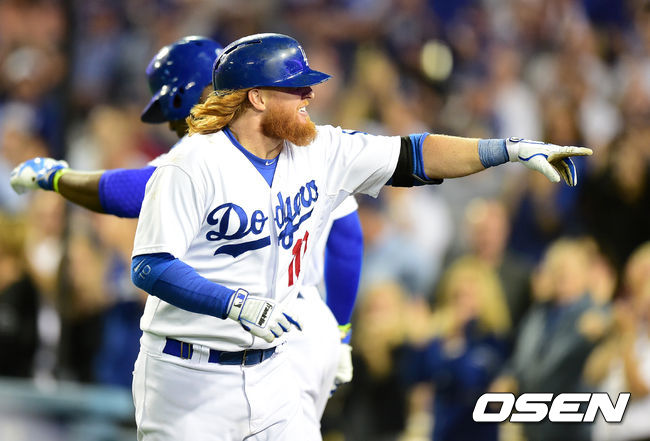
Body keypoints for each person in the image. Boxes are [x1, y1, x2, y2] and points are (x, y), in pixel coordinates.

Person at [123, 32, 591, 440]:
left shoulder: (320, 150)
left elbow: (416, 153)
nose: (309, 94)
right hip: (186, 378)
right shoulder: (191, 164)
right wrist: (235, 304)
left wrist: (507, 150)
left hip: (271, 371)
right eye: (295, 87)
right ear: (257, 98)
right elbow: (149, 265)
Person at [9, 35, 363, 436]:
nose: (171, 124)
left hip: (259, 338)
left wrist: (57, 177)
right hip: (304, 323)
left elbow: (128, 193)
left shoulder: (207, 157)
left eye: (171, 109)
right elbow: (347, 238)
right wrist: (339, 329)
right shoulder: (304, 144)